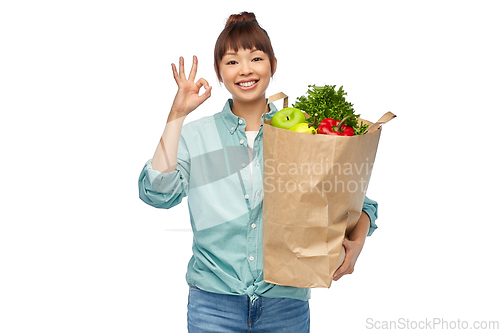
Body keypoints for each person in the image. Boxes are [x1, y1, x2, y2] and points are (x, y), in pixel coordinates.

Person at [138, 11, 378, 333]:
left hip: (286, 303)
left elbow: (356, 202)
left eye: (256, 58)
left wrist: (357, 242)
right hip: (213, 304)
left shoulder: (305, 135)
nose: (246, 70)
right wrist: (176, 114)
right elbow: (158, 192)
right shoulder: (195, 136)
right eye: (232, 62)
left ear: (273, 65)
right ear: (219, 73)